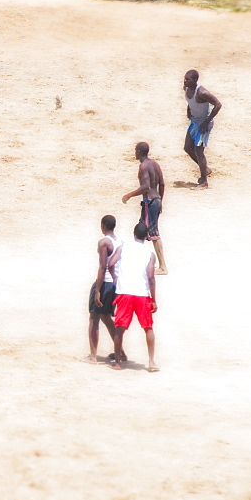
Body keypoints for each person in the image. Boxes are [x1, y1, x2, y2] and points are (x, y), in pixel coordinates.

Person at [107, 222, 159, 372]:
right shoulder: (149, 254)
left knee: (120, 328)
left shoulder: (123, 248)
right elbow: (150, 277)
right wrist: (153, 298)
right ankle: (151, 361)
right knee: (148, 327)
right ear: (147, 236)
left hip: (125, 292)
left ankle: (117, 362)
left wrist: (115, 278)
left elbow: (111, 263)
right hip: (142, 294)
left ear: (134, 233)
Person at [83, 215, 126, 365]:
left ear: (102, 225)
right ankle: (121, 352)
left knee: (94, 318)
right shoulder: (120, 241)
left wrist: (97, 290)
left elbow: (103, 266)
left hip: (106, 282)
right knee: (106, 317)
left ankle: (93, 356)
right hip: (116, 283)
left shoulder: (104, 242)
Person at [121, 142, 168, 275]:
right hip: (156, 200)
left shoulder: (143, 166)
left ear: (140, 151)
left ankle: (163, 266)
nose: (134, 152)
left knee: (153, 233)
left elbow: (145, 186)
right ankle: (138, 260)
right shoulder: (155, 164)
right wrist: (160, 201)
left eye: (136, 150)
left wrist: (129, 195)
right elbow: (162, 184)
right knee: (141, 230)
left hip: (149, 202)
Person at [182, 70, 223, 189]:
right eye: (185, 78)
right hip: (195, 121)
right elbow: (189, 102)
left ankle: (204, 181)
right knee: (187, 147)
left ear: (195, 80)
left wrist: (206, 121)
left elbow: (218, 104)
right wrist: (188, 111)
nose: (185, 81)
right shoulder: (186, 88)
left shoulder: (202, 92)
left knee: (199, 151)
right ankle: (205, 169)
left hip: (204, 123)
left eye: (188, 79)